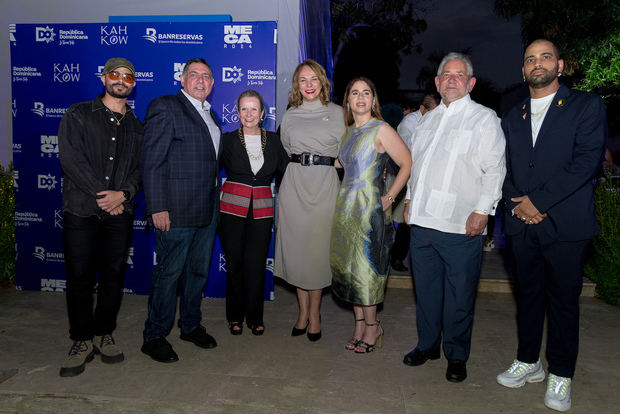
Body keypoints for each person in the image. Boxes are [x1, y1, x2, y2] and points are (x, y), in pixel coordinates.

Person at [496, 39, 606, 412]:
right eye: (530, 59)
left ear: (560, 65)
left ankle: (561, 373)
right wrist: (520, 207)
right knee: (527, 297)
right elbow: (506, 168)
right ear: (523, 70)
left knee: (562, 302)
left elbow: (587, 162)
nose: (537, 63)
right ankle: (529, 362)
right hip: (522, 224)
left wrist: (538, 203)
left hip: (566, 225)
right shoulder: (513, 115)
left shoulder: (585, 106)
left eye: (545, 57)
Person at [401, 53, 506, 382]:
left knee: (460, 295)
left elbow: (496, 169)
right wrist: (407, 200)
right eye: (446, 74)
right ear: (436, 82)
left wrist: (483, 211)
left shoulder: (483, 119)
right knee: (427, 292)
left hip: (461, 225)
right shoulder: (427, 120)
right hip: (422, 223)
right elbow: (415, 167)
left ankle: (456, 355)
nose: (451, 79)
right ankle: (428, 345)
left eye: (459, 75)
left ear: (470, 83)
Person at [57, 57, 142, 377]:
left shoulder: (137, 125)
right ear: (103, 78)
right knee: (79, 277)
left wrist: (124, 194)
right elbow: (70, 159)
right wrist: (104, 196)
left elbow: (139, 170)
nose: (121, 80)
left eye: (127, 77)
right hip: (81, 209)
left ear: (133, 84)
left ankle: (103, 332)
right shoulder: (78, 114)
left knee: (112, 277)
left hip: (119, 213)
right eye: (114, 75)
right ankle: (80, 339)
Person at [140, 58, 221, 362]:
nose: (201, 80)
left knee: (197, 272)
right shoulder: (165, 106)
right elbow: (152, 160)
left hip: (207, 209)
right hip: (175, 210)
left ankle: (190, 326)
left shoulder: (210, 113)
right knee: (169, 273)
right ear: (182, 79)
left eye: (207, 76)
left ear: (212, 84)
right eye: (194, 75)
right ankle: (155, 335)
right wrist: (157, 206)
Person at [330, 77, 411, 353]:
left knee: (368, 272)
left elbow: (406, 163)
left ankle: (373, 327)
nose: (361, 97)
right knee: (351, 271)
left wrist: (390, 196)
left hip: (370, 212)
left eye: (367, 92)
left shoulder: (382, 129)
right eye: (355, 93)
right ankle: (359, 325)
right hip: (346, 210)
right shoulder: (349, 131)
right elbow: (342, 163)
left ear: (373, 100)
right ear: (348, 100)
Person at [274, 59, 345, 341]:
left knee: (316, 253)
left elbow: (348, 153)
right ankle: (301, 312)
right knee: (298, 252)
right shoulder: (290, 115)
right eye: (303, 80)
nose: (309, 85)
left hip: (325, 186)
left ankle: (315, 313)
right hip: (294, 186)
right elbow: (287, 149)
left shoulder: (339, 113)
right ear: (297, 85)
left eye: (314, 79)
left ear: (323, 82)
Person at [219, 90, 289, 336]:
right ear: (237, 113)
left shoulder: (274, 140)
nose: (249, 114)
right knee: (235, 263)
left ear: (262, 114)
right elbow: (210, 173)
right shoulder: (226, 140)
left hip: (262, 208)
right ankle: (235, 317)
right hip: (230, 209)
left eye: (253, 109)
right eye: (243, 109)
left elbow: (286, 174)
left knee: (257, 264)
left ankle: (255, 317)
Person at [391, 92, 440, 271]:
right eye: (433, 111)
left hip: (427, 180)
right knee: (406, 221)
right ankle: (396, 257)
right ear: (422, 109)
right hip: (408, 180)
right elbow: (407, 158)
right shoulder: (408, 125)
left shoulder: (434, 121)